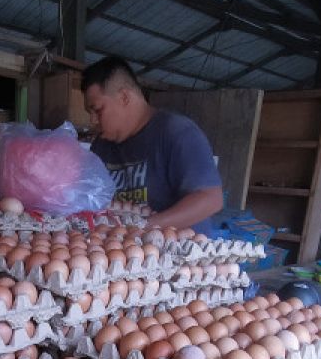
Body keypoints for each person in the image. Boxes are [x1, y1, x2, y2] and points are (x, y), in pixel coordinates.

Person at [81, 56, 223, 232]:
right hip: (123, 250)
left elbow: (211, 199)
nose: (92, 120)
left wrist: (144, 227)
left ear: (124, 97)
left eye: (97, 110)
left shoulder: (176, 132)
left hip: (179, 253)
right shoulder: (101, 147)